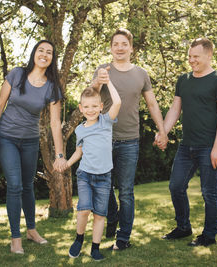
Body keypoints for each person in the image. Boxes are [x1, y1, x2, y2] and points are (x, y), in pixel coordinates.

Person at [0, 40, 66, 254]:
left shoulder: (52, 86)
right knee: (14, 185)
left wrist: (59, 155)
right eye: (41, 50)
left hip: (30, 140)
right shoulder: (17, 74)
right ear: (34, 53)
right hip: (7, 137)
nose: (45, 54)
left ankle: (31, 230)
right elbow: (0, 104)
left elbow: (55, 123)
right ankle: (15, 238)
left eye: (49, 52)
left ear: (52, 58)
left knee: (28, 185)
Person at [91, 28, 168, 250]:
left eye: (124, 43)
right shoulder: (103, 70)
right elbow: (88, 94)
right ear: (111, 48)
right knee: (102, 187)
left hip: (129, 140)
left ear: (131, 48)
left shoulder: (141, 74)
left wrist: (162, 130)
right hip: (103, 138)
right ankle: (113, 216)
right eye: (116, 43)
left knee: (126, 191)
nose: (120, 47)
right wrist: (97, 81)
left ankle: (123, 238)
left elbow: (152, 104)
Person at [159, 37, 217, 246]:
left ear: (209, 55)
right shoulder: (183, 80)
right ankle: (183, 227)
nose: (191, 60)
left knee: (209, 192)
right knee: (175, 186)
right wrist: (163, 132)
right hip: (186, 146)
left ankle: (209, 235)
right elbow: (175, 109)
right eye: (189, 56)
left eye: (196, 56)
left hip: (210, 146)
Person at [66, 71, 121, 261]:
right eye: (87, 107)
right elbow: (79, 151)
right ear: (81, 108)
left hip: (104, 177)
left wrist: (108, 82)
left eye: (94, 106)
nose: (90, 110)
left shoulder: (106, 122)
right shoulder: (80, 129)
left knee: (99, 215)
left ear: (101, 106)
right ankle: (79, 239)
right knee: (83, 210)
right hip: (85, 175)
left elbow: (118, 102)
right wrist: (67, 163)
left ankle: (95, 248)